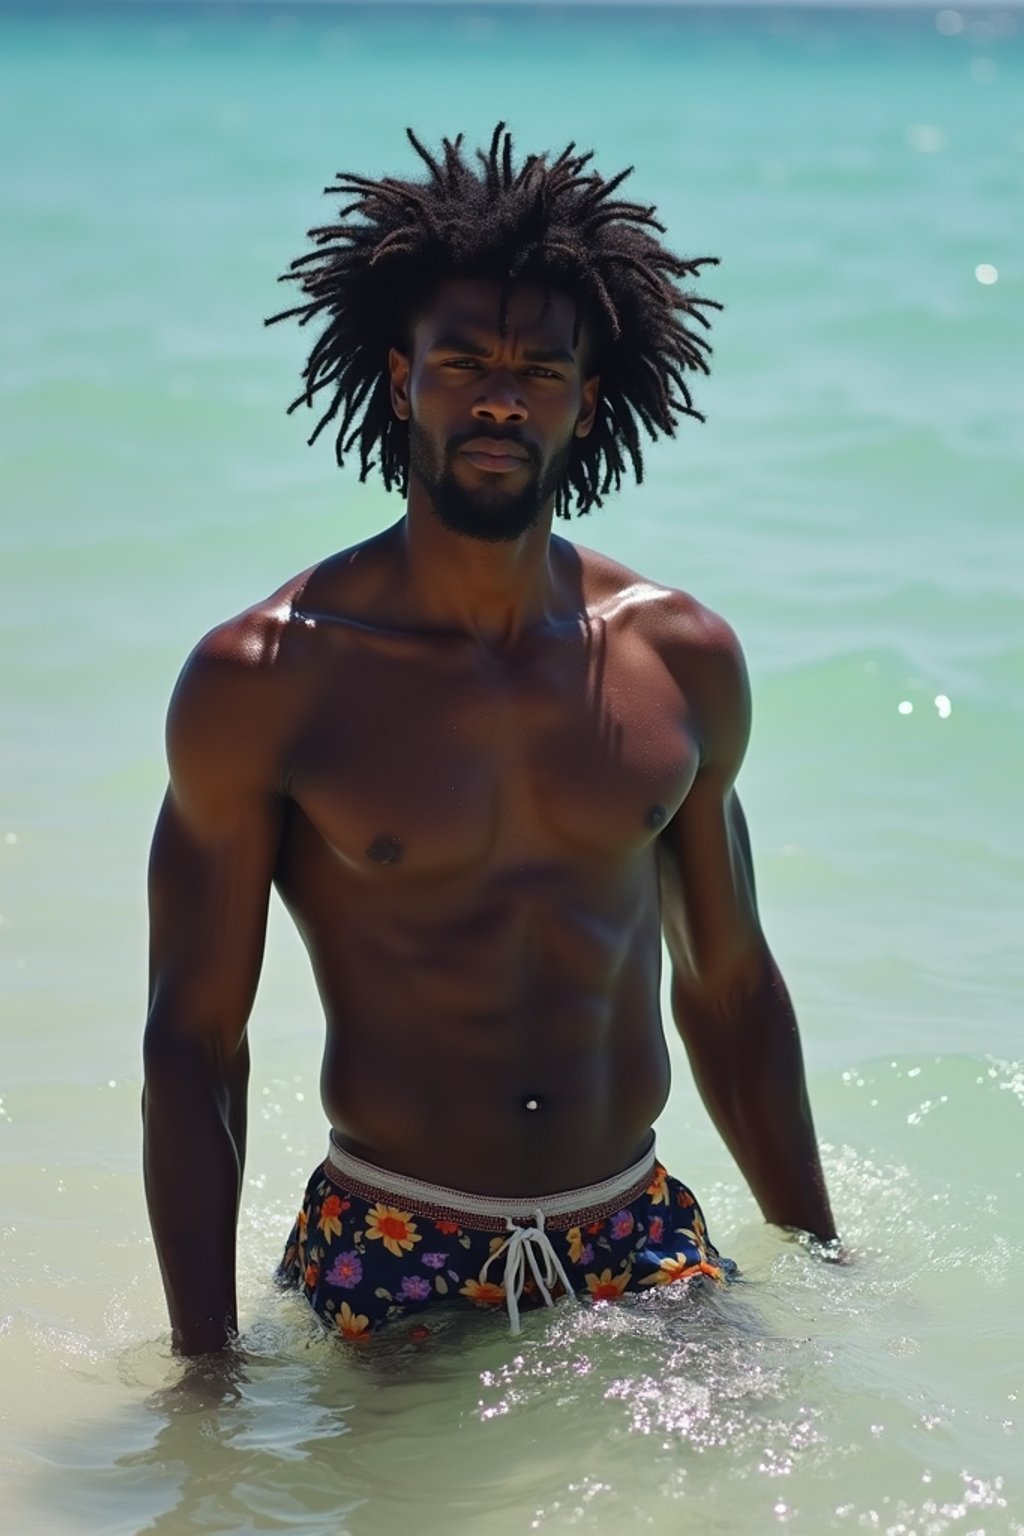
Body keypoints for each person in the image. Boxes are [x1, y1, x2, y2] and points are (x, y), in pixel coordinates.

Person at [143, 125, 837, 1356]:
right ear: (402, 382)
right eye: (462, 362)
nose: (501, 398)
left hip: (635, 1237)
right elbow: (195, 1041)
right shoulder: (268, 676)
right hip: (394, 1243)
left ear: (587, 402)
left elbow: (728, 988)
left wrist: (824, 1263)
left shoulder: (677, 658)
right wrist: (208, 1374)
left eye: (540, 371)